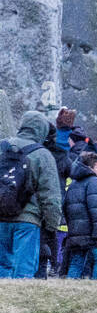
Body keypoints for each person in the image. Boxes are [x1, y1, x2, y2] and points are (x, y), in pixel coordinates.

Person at [0, 112, 62, 278]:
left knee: (2, 267)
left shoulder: (1, 146)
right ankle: (19, 302)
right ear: (41, 130)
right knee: (23, 270)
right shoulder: (42, 155)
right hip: (28, 220)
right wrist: (51, 226)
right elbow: (51, 196)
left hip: (0, 218)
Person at [63, 151, 97, 278]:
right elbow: (95, 208)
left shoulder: (74, 183)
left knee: (77, 261)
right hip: (90, 232)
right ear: (90, 168)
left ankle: (70, 289)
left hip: (76, 232)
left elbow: (66, 207)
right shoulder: (94, 181)